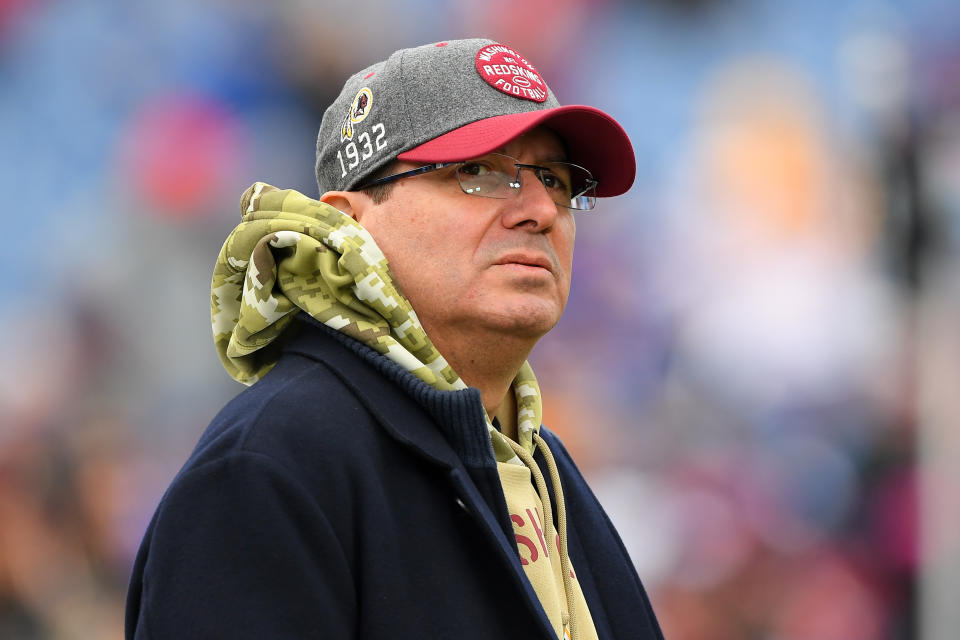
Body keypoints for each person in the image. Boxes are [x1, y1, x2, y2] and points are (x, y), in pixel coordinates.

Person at [125, 38, 664, 640]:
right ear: (352, 222)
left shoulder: (544, 469)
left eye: (558, 180)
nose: (540, 208)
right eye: (478, 172)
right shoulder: (268, 466)